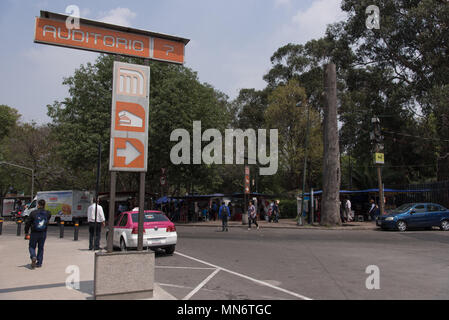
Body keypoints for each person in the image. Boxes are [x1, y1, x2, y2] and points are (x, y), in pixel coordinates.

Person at [24, 199, 51, 269]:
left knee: (32, 246)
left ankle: (33, 256)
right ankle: (39, 263)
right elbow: (47, 221)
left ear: (38, 205)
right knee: (41, 248)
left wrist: (26, 232)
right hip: (43, 233)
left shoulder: (33, 213)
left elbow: (28, 223)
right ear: (44, 205)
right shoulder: (48, 213)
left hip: (34, 233)